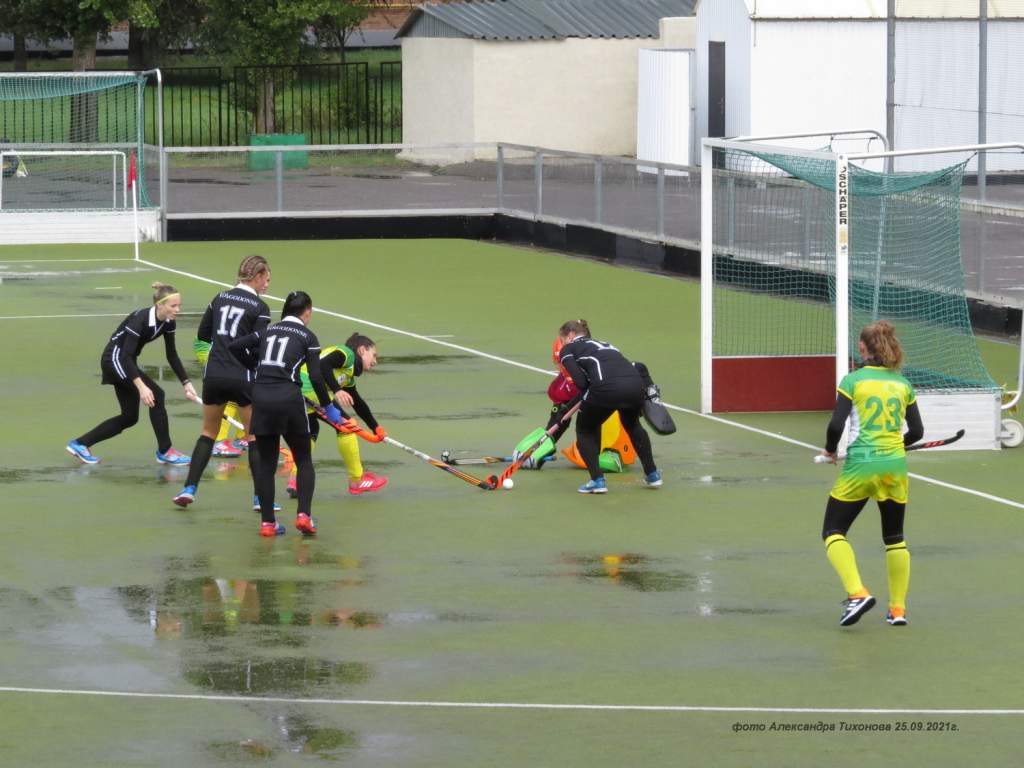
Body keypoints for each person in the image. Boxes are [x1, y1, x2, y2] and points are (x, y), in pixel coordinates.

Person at [818, 320, 923, 628]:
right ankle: (898, 610)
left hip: (861, 465)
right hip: (894, 466)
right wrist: (896, 445)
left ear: (863, 347)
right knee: (895, 539)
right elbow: (917, 431)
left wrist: (829, 451)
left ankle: (857, 593)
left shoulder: (853, 381)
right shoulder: (903, 384)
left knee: (833, 531)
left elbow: (836, 425)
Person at [229, 291, 338, 537]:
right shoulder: (308, 336)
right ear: (307, 312)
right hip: (289, 399)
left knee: (267, 464)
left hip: (262, 398)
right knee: (303, 459)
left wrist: (254, 367)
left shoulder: (267, 331)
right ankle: (304, 516)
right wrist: (328, 407)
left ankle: (268, 523)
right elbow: (317, 376)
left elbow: (235, 346)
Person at [173, 255, 274, 509]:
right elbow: (259, 345)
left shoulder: (219, 298)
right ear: (257, 276)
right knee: (254, 438)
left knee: (208, 434)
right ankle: (260, 498)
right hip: (243, 377)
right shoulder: (260, 308)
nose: (267, 285)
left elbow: (203, 336)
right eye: (267, 279)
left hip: (214, 376)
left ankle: (189, 489)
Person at [67, 282, 196, 465]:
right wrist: (142, 387)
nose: (178, 309)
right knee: (157, 395)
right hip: (115, 360)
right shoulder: (141, 319)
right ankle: (165, 451)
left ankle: (80, 444)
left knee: (129, 417)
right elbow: (126, 356)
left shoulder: (168, 322)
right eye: (173, 306)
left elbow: (171, 355)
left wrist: (186, 382)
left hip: (127, 362)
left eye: (179, 305)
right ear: (159, 305)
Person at [557, 319, 661, 493]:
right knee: (633, 425)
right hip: (635, 385)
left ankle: (597, 481)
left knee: (585, 430)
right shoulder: (606, 344)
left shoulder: (568, 349)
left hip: (606, 389)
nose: (562, 344)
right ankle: (652, 475)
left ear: (570, 336)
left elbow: (581, 383)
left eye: (562, 340)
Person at [288, 332, 388, 498]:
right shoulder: (346, 354)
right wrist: (337, 390)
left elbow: (358, 402)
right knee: (347, 427)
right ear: (362, 350)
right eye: (374, 355)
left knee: (311, 430)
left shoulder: (347, 374)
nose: (375, 362)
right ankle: (357, 480)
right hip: (309, 389)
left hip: (297, 392)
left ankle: (295, 480)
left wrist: (376, 426)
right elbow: (322, 366)